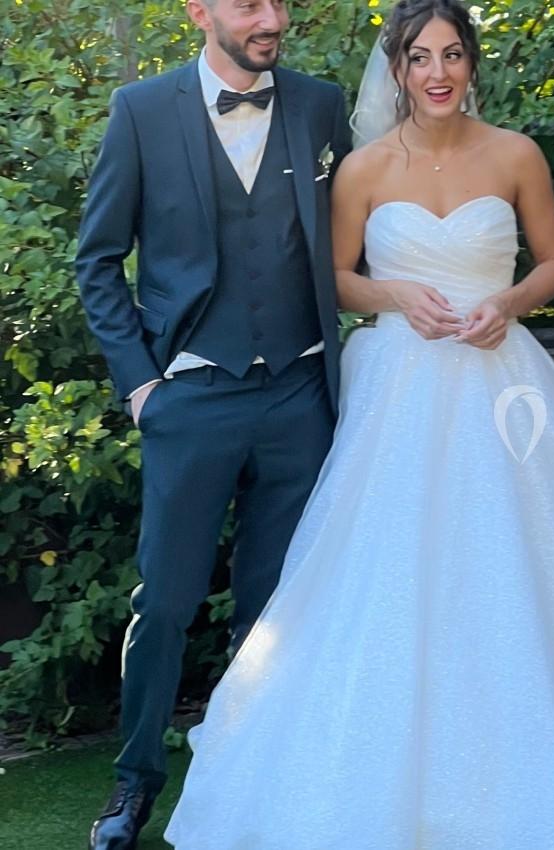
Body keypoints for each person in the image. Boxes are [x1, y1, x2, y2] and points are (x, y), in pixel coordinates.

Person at [161, 1, 554, 846]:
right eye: (421, 57)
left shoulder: (515, 155)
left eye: (453, 55)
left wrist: (505, 303)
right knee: (387, 567)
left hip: (501, 381)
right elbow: (336, 276)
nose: (438, 72)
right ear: (397, 69)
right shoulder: (361, 168)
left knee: (518, 565)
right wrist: (393, 295)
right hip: (400, 386)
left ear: (471, 65)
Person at [74, 0, 351, 846]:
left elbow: (360, 234)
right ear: (199, 10)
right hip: (189, 394)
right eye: (248, 4)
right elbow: (96, 262)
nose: (271, 17)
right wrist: (142, 386)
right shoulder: (142, 111)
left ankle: (251, 778)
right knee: (165, 601)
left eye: (279, 2)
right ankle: (133, 784)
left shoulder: (319, 104)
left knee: (274, 602)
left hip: (299, 392)